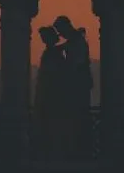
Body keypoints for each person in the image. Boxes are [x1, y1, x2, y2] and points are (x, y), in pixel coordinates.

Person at [53, 16, 93, 159]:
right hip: (78, 83)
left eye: (60, 31)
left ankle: (80, 149)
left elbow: (77, 63)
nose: (60, 35)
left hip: (78, 83)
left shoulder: (77, 41)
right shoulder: (75, 40)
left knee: (78, 116)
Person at [33, 25, 67, 162]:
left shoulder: (52, 54)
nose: (42, 40)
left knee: (49, 127)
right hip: (51, 96)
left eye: (43, 37)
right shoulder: (55, 53)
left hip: (50, 97)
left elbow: (51, 75)